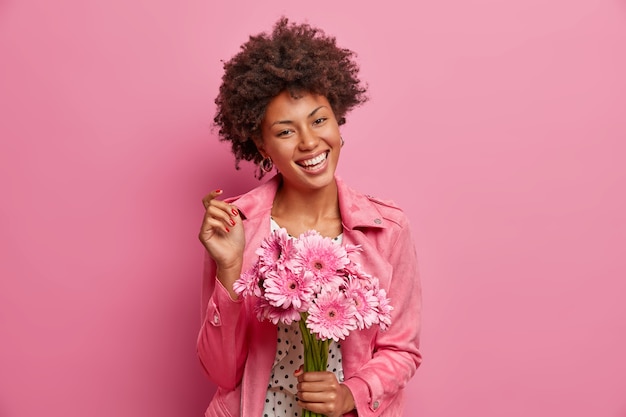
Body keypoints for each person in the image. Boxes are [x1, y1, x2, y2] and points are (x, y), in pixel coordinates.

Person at [197, 17, 421, 417]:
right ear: (261, 145)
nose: (309, 142)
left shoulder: (388, 230)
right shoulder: (236, 230)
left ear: (338, 122)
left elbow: (401, 349)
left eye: (319, 120)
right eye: (285, 132)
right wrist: (230, 267)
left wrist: (351, 392)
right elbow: (221, 372)